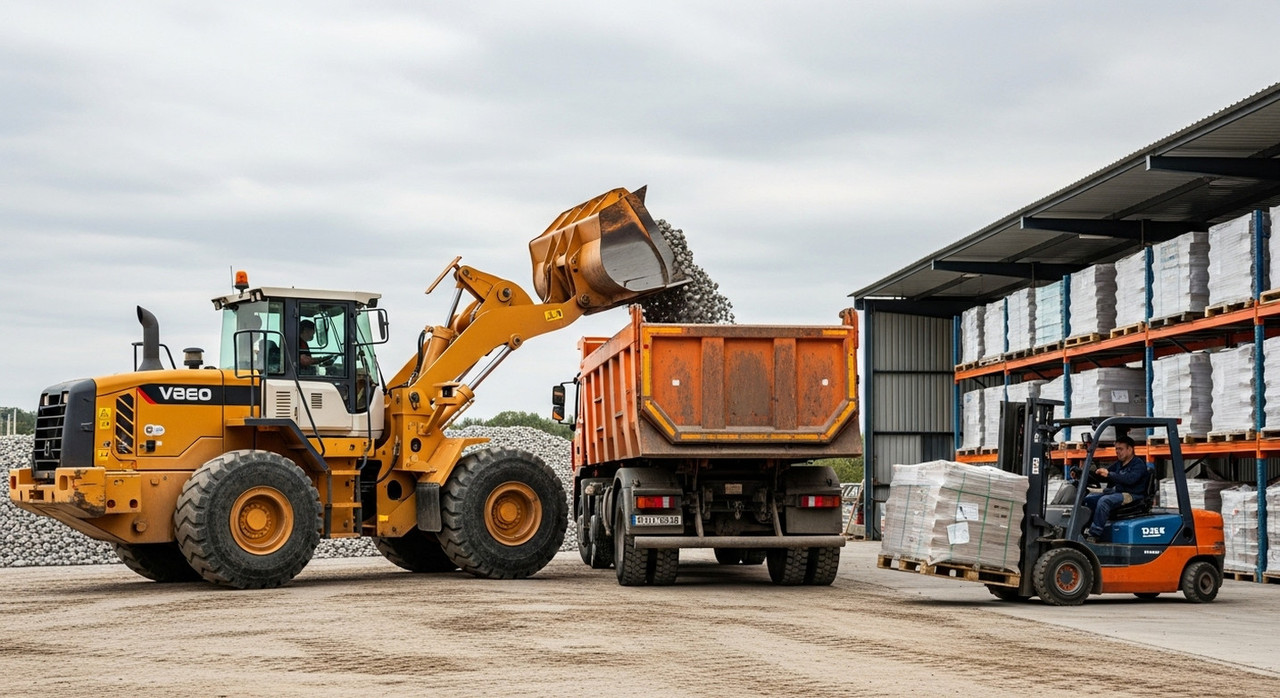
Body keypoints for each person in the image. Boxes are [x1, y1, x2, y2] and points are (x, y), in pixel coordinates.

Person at [1082, 435, 1151, 542]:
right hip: (1118, 492)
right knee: (1089, 499)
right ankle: (1084, 530)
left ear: (1130, 449)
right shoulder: (1119, 464)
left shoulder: (1138, 464)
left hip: (1132, 495)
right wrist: (1084, 473)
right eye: (1116, 449)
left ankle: (1094, 534)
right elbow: (1105, 477)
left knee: (1104, 501)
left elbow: (1129, 479)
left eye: (1120, 449)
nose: (1118, 452)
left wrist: (1109, 474)